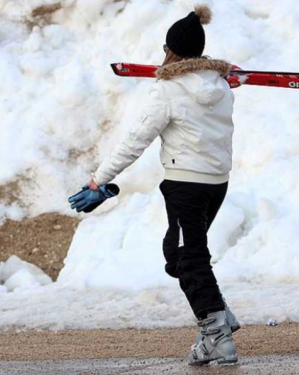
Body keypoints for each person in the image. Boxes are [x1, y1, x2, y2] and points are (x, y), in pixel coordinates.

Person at [87, 4, 240, 365]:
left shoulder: (168, 91)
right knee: (179, 255)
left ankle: (216, 333)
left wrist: (99, 179)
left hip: (186, 186)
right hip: (216, 184)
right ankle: (218, 313)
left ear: (170, 50)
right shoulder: (221, 87)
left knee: (189, 259)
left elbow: (135, 140)